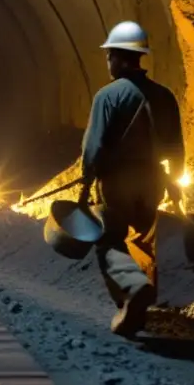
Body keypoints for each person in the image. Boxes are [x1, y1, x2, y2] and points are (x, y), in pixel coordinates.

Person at [78, 21, 184, 337]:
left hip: (117, 181)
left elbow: (94, 146)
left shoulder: (108, 96)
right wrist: (175, 182)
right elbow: (177, 145)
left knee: (109, 242)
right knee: (143, 242)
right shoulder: (164, 96)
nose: (108, 62)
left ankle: (132, 292)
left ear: (120, 58)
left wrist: (85, 183)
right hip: (153, 180)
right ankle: (140, 310)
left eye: (109, 56)